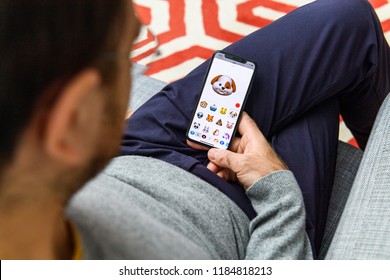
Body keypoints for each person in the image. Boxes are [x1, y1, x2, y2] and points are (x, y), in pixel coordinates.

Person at [0, 0, 388, 260]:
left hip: (137, 149)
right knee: (326, 81)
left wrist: (100, 139)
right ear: (73, 119)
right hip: (249, 212)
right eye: (129, 48)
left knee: (344, 20)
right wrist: (276, 189)